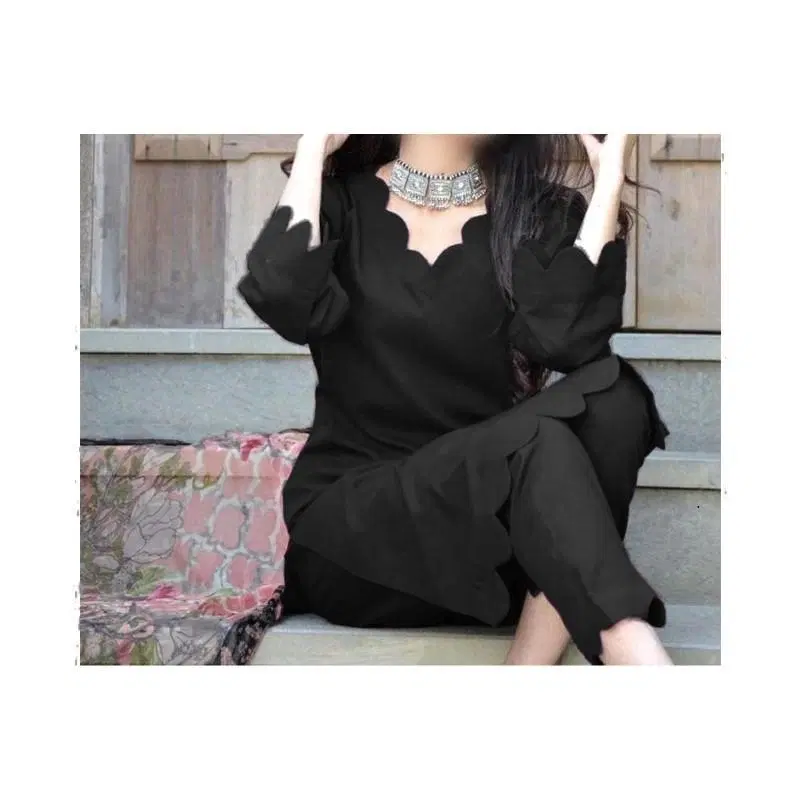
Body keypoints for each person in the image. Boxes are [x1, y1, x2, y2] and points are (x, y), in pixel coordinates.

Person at [238, 134, 673, 666]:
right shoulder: (338, 205)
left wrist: (608, 186)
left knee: (613, 397)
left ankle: (530, 663)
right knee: (542, 441)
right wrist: (314, 147)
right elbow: (285, 299)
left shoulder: (537, 212)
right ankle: (631, 646)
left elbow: (566, 342)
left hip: (487, 543)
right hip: (362, 541)